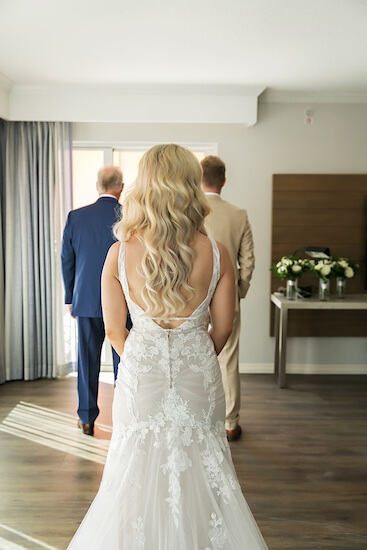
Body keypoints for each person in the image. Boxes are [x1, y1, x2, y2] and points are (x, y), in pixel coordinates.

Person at [66, 144, 268, 549]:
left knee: (133, 469)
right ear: (190, 187)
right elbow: (223, 329)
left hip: (140, 373)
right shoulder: (217, 253)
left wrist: (148, 358)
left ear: (145, 187)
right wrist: (190, 355)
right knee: (204, 468)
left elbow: (113, 331)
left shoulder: (118, 253)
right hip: (199, 374)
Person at [61, 166, 127, 436]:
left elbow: (67, 259)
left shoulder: (76, 217)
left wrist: (70, 296)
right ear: (121, 187)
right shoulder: (132, 216)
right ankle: (125, 417)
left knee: (87, 361)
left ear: (97, 185)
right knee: (124, 361)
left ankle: (87, 418)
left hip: (86, 300)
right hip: (123, 302)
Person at [201, 155, 255, 442]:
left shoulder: (193, 211)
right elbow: (248, 261)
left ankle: (200, 416)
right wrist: (238, 292)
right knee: (229, 360)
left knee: (196, 356)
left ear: (199, 180)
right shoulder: (239, 214)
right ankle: (230, 423)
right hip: (228, 295)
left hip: (194, 296)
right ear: (224, 180)